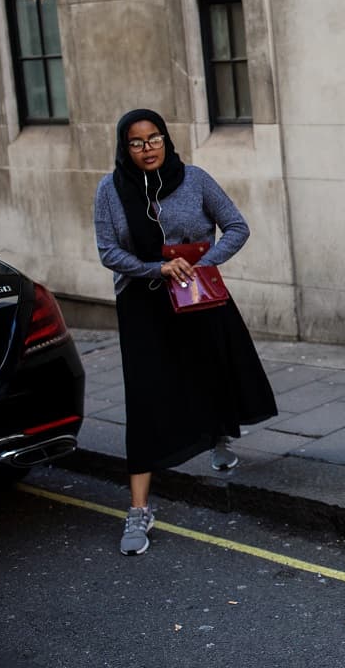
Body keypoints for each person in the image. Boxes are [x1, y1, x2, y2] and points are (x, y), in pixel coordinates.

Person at [94, 109, 278, 556]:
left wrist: (202, 264)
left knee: (212, 369)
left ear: (166, 140)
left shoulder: (194, 179)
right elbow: (108, 251)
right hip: (143, 306)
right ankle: (139, 509)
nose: (147, 148)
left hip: (197, 295)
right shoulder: (110, 190)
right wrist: (155, 267)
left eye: (154, 138)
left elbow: (237, 226)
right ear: (125, 148)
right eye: (136, 143)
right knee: (146, 400)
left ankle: (217, 435)